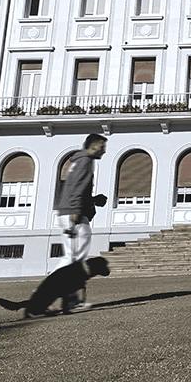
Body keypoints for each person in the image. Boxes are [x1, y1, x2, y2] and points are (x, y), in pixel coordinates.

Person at [53, 133, 109, 310]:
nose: (104, 151)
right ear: (93, 146)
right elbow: (76, 187)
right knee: (74, 258)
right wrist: (76, 211)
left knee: (73, 257)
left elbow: (74, 188)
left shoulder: (79, 161)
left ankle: (67, 298)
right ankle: (49, 293)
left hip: (68, 211)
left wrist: (92, 200)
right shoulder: (85, 161)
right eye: (102, 146)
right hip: (73, 214)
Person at [0, 257, 110, 317]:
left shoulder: (80, 270)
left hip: (50, 291)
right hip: (48, 293)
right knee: (38, 308)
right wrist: (65, 310)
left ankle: (27, 308)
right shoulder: (79, 272)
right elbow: (66, 291)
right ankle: (27, 309)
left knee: (39, 306)